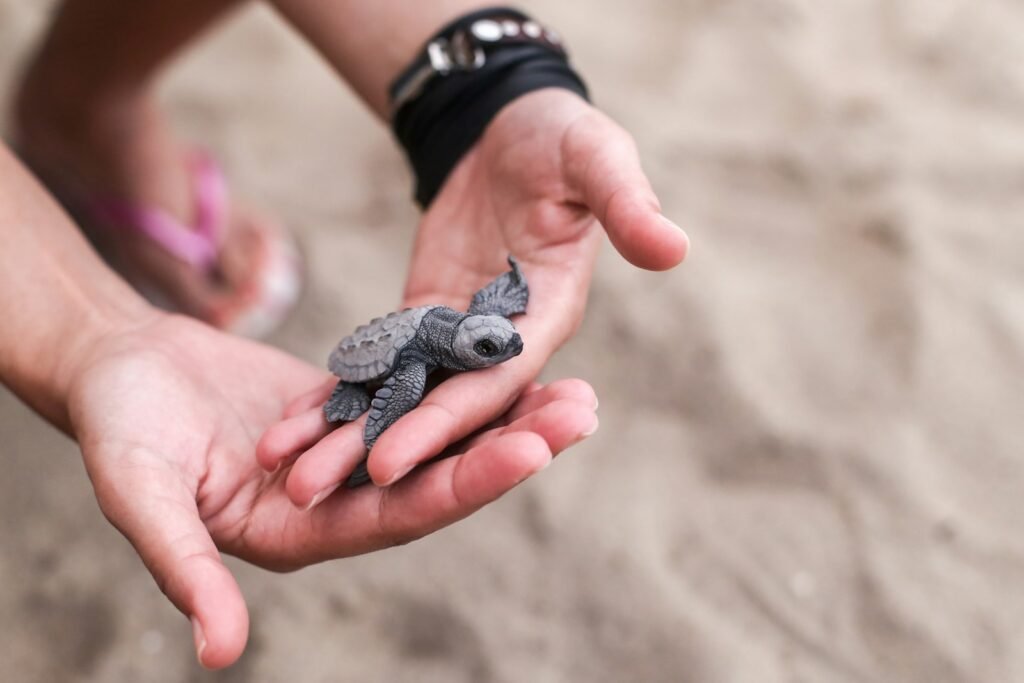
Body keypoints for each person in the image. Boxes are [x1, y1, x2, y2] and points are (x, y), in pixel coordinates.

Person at [3, 0, 688, 670]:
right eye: (490, 347)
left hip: (416, 327)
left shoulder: (480, 317)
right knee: (371, 414)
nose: (505, 347)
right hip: (368, 358)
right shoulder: (417, 366)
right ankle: (77, 118)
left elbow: (496, 314)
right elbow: (398, 392)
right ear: (457, 349)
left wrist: (486, 90)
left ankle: (81, 103)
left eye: (495, 339)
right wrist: (82, 335)